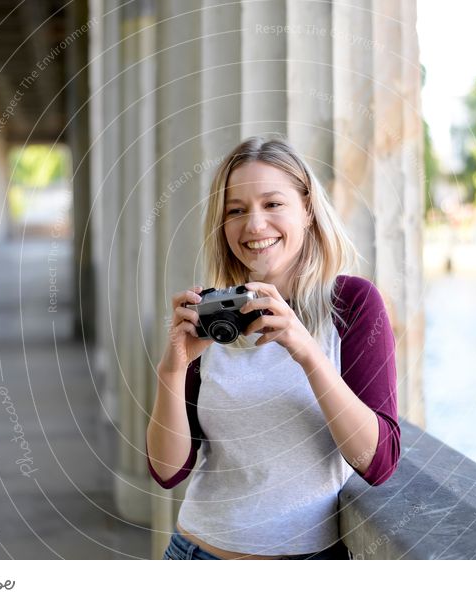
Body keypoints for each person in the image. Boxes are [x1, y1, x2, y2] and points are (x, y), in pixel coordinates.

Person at [146, 136, 401, 560]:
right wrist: (172, 370)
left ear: (307, 208)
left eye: (273, 204)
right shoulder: (213, 317)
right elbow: (168, 471)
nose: (255, 226)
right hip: (198, 554)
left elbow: (379, 462)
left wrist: (306, 351)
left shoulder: (352, 304)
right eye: (236, 211)